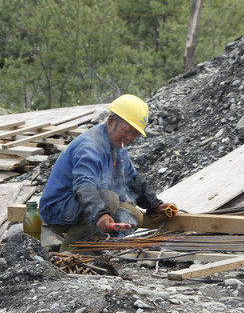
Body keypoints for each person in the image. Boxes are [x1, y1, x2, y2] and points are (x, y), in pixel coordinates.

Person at [39, 94, 174, 251]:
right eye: (127, 131)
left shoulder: (118, 144)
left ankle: (95, 245)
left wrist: (154, 204)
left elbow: (132, 178)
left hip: (80, 206)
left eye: (135, 134)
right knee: (109, 199)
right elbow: (84, 185)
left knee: (133, 215)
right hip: (58, 209)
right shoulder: (90, 147)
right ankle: (70, 252)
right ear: (111, 122)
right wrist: (100, 214)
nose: (130, 138)